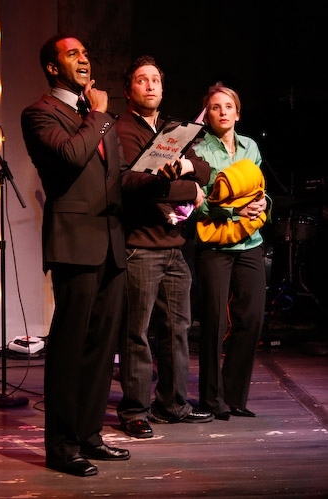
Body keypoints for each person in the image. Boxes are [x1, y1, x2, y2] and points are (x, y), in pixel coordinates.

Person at [21, 33, 130, 477]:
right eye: (73, 54)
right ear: (52, 67)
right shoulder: (40, 113)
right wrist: (101, 114)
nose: (85, 59)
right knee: (69, 349)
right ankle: (61, 446)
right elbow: (70, 155)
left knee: (103, 348)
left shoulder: (94, 116)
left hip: (111, 240)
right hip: (74, 241)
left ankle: (88, 434)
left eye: (86, 53)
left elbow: (116, 174)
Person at [115, 55, 213, 439]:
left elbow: (203, 170)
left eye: (156, 79)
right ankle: (134, 410)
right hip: (141, 245)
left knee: (177, 328)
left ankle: (172, 404)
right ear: (129, 90)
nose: (151, 86)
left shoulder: (174, 130)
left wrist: (187, 171)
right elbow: (132, 183)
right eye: (142, 80)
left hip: (174, 245)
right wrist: (187, 188)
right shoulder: (123, 129)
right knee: (137, 332)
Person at [193, 82, 270, 421]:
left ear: (238, 113)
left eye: (228, 106)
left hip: (249, 242)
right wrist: (234, 211)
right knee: (213, 320)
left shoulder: (250, 147)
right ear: (207, 115)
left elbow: (258, 188)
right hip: (215, 243)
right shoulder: (197, 149)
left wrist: (260, 204)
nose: (222, 112)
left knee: (251, 319)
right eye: (215, 107)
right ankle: (211, 400)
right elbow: (199, 203)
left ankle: (234, 395)